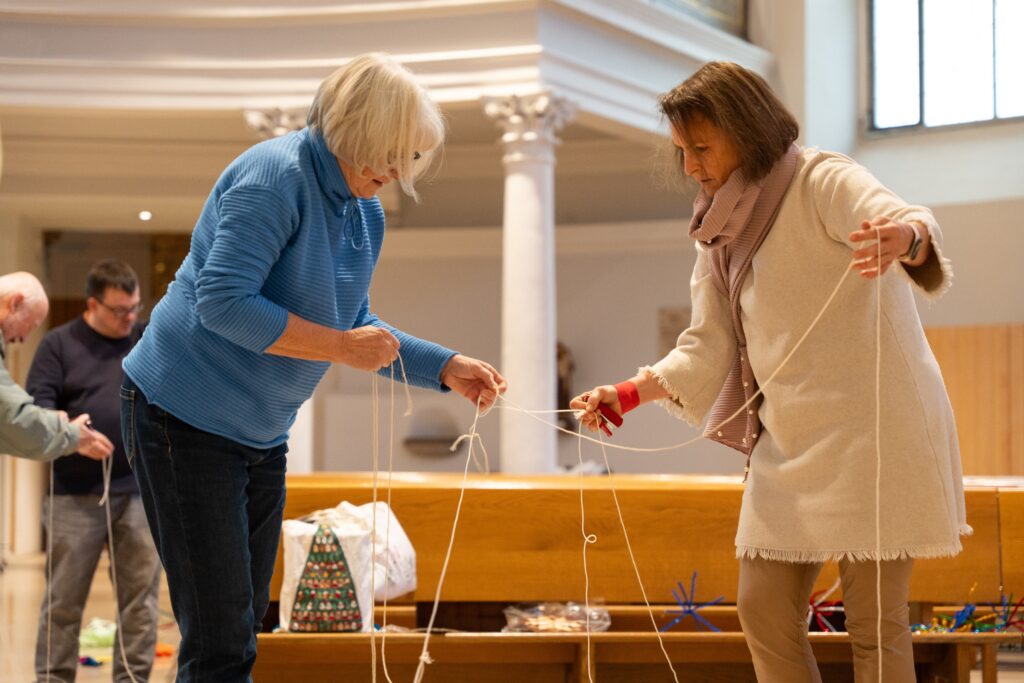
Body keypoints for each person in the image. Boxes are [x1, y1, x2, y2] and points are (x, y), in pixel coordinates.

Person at [572, 62, 965, 683]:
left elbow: (906, 216)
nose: (692, 167)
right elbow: (707, 343)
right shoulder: (716, 229)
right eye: (682, 152)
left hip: (878, 434)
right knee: (762, 610)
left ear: (746, 128)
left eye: (702, 147)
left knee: (874, 625)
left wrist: (906, 238)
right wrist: (627, 392)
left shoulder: (822, 179)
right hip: (791, 439)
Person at [120, 52, 506, 681]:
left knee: (244, 626)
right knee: (219, 638)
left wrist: (446, 367)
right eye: (391, 151)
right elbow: (223, 304)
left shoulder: (364, 211)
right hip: (180, 417)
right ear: (356, 129)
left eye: (408, 156)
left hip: (259, 432)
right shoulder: (274, 177)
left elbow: (356, 328)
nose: (397, 170)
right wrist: (336, 346)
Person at [28, 260, 160, 683]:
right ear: (92, 305)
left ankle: (132, 678)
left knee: (140, 601)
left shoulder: (146, 339)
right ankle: (53, 677)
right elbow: (36, 411)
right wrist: (73, 435)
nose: (129, 319)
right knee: (64, 600)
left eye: (135, 308)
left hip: (141, 493)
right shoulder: (59, 345)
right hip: (74, 495)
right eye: (119, 310)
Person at [0, 271, 112, 462]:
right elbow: (10, 417)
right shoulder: (57, 344)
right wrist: (71, 433)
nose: (23, 339)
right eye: (30, 325)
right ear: (15, 303)